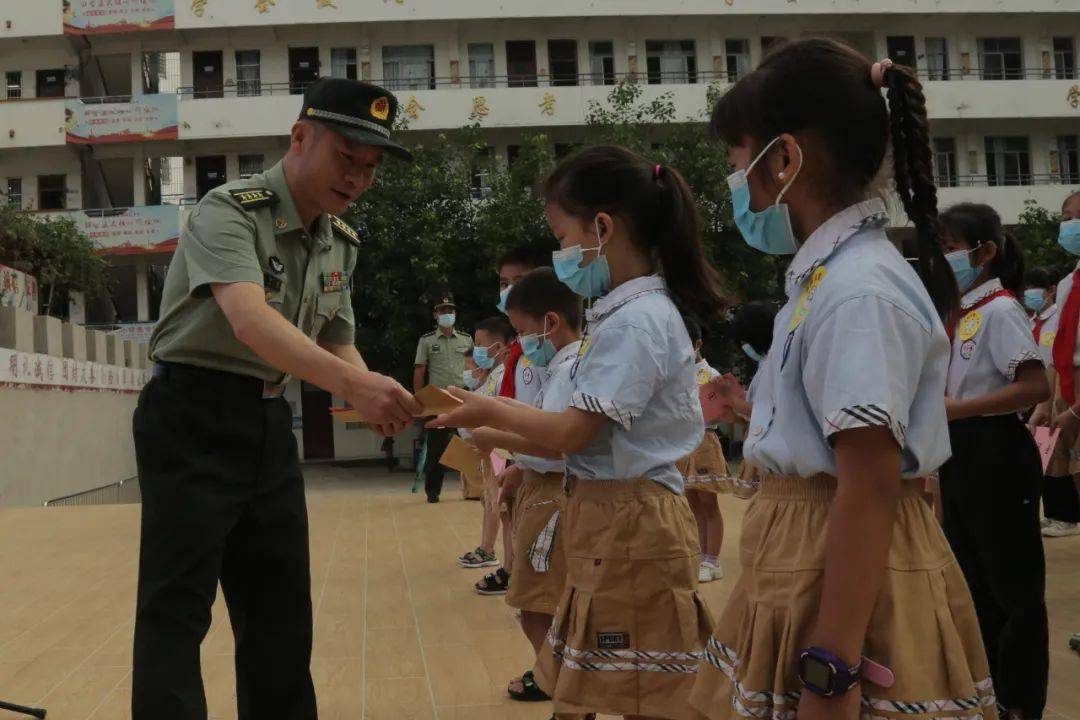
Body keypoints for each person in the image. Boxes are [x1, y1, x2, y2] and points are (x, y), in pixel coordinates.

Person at [688, 41, 997, 720]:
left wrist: (832, 666)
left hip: (837, 574)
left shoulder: (859, 290)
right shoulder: (826, 277)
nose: (735, 183)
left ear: (785, 159)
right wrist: (753, 412)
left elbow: (871, 480)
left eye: (739, 164)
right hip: (805, 554)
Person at [132, 77, 421, 720]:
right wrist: (352, 385)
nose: (358, 180)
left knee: (280, 607)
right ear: (299, 137)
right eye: (346, 159)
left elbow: (339, 341)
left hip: (268, 418)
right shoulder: (229, 209)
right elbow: (250, 321)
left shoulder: (337, 242)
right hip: (191, 414)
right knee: (177, 606)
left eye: (370, 169)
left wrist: (381, 396)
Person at [429, 144, 726, 720]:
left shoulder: (637, 320)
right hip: (612, 519)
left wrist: (485, 413)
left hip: (633, 524)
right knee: (603, 686)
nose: (561, 254)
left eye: (563, 239)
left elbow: (571, 432)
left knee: (650, 695)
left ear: (603, 228)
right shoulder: (621, 314)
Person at [938, 202, 1050, 720]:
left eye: (951, 247)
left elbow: (1033, 386)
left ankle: (1021, 702)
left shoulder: (1001, 310)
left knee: (1014, 588)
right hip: (959, 453)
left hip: (996, 452)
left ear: (984, 253)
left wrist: (958, 409)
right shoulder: (960, 312)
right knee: (973, 582)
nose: (942, 257)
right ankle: (989, 694)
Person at [468, 267, 584, 704]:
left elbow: (558, 441)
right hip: (541, 484)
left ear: (550, 322)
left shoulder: (570, 365)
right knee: (538, 603)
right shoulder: (557, 364)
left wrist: (495, 432)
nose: (519, 343)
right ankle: (563, 684)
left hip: (555, 493)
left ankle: (564, 685)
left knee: (539, 607)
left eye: (521, 331)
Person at [472, 247, 551, 594]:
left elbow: (553, 425)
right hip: (523, 462)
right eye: (504, 283)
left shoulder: (550, 351)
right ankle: (511, 567)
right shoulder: (522, 350)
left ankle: (513, 568)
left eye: (520, 281)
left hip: (548, 471)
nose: (509, 291)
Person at [1044, 190, 1080, 653]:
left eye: (1076, 217)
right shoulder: (1072, 281)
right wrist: (1054, 404)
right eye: (1065, 217)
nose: (1068, 226)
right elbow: (1063, 352)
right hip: (1071, 405)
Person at [1025, 265, 1079, 537]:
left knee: (1069, 459)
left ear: (1050, 291)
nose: (1030, 293)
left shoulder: (1055, 315)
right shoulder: (1031, 320)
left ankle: (1067, 514)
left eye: (1036, 287)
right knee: (1048, 456)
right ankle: (1058, 513)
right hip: (1044, 391)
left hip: (1059, 387)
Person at [457, 315, 514, 569]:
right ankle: (491, 553)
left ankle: (508, 567)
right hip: (490, 450)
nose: (477, 351)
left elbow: (498, 415)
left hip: (500, 450)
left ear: (499, 347)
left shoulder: (504, 375)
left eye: (480, 345)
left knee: (503, 508)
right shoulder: (494, 375)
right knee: (492, 502)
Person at [677, 316, 728, 583]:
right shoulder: (678, 374)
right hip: (684, 444)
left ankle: (713, 560)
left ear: (698, 344)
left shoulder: (712, 376)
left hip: (705, 441)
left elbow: (722, 414)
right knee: (692, 501)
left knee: (708, 503)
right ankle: (700, 556)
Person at [413, 293, 473, 502]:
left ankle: (474, 489)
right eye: (443, 311)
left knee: (470, 443)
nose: (447, 314)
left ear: (455, 313)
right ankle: (432, 492)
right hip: (438, 400)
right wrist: (419, 402)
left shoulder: (466, 339)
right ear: (435, 315)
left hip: (463, 397)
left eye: (450, 310)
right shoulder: (427, 340)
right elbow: (420, 370)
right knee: (436, 447)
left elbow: (474, 368)